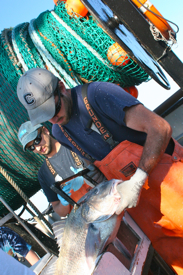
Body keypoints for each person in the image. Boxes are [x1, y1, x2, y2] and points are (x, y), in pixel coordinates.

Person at [17, 68, 183, 274]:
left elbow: (160, 128)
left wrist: (139, 178)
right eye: (46, 117)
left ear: (61, 87)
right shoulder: (60, 132)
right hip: (143, 209)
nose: (54, 119)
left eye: (55, 109)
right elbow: (97, 169)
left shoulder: (97, 95)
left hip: (172, 183)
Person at [18, 121, 104, 217]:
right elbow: (60, 211)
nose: (38, 148)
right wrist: (64, 202)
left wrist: (87, 176)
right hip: (88, 215)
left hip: (106, 195)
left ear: (45, 130)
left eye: (37, 140)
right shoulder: (43, 174)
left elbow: (104, 164)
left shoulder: (72, 142)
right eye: (32, 147)